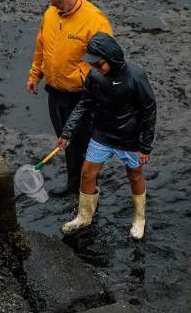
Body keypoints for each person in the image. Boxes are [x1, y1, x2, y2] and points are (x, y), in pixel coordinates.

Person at [57, 33, 156, 240]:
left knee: (134, 175)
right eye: (93, 63)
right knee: (86, 173)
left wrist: (145, 146)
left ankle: (139, 219)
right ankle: (84, 216)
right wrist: (67, 132)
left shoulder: (136, 76)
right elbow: (84, 103)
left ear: (112, 58)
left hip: (129, 139)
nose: (96, 67)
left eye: (99, 63)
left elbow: (149, 110)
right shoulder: (94, 76)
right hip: (101, 135)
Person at [27, 0, 113, 197]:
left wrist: (82, 79)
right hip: (55, 92)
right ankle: (73, 182)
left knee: (83, 144)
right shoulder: (50, 14)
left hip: (81, 96)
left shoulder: (94, 21)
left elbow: (107, 61)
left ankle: (90, 188)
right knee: (64, 141)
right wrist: (35, 75)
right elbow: (41, 46)